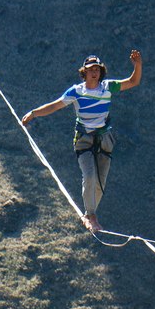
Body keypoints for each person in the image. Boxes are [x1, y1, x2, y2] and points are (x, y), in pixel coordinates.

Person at [22, 50, 142, 232]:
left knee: (101, 183)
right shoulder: (76, 92)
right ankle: (91, 216)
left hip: (104, 139)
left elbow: (133, 82)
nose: (94, 72)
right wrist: (33, 113)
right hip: (84, 140)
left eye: (97, 69)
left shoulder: (108, 87)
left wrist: (138, 66)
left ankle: (90, 213)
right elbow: (55, 105)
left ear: (101, 72)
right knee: (90, 176)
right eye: (90, 69)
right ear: (84, 72)